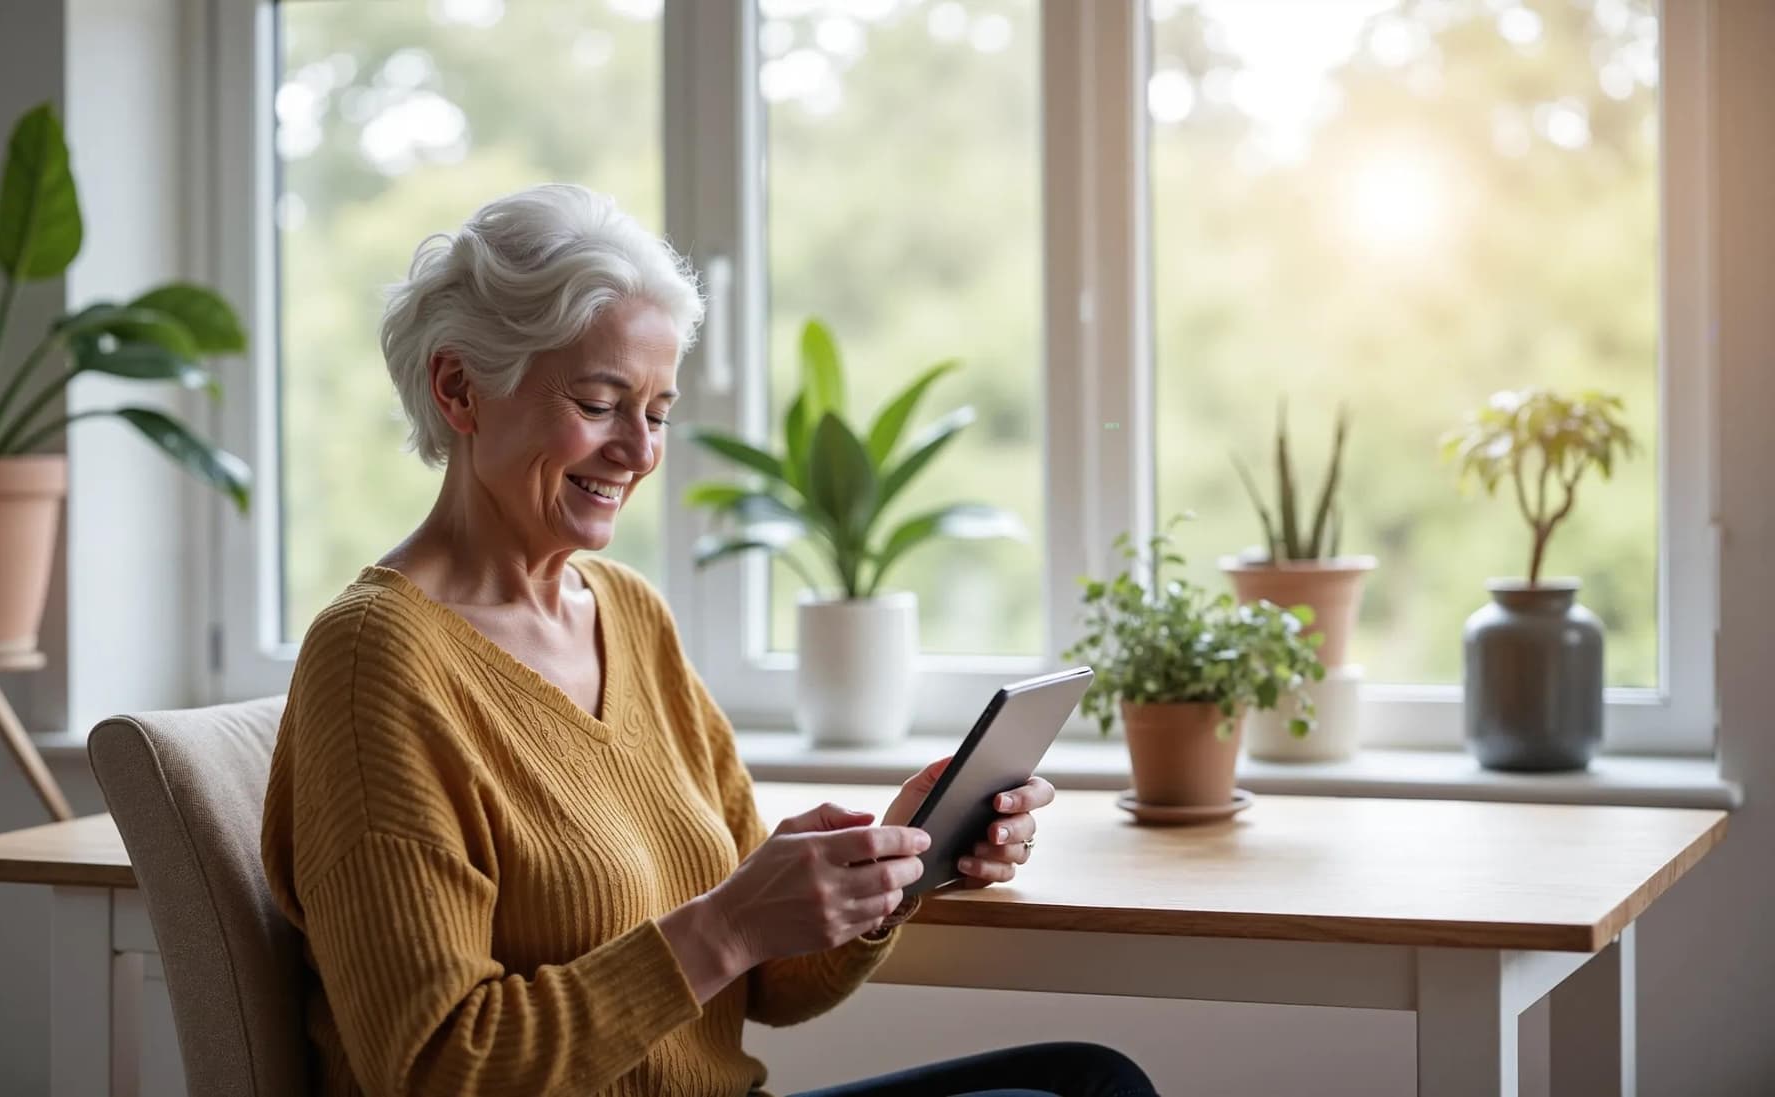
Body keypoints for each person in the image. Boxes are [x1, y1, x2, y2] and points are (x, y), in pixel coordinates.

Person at [260, 183, 1159, 1097]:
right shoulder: (374, 660)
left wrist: (895, 860)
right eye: (602, 401)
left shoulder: (631, 615)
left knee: (1091, 1081)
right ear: (460, 387)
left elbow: (764, 981)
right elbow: (434, 1068)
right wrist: (725, 924)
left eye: (655, 413)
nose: (641, 452)